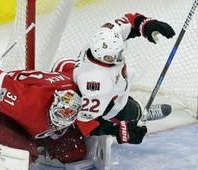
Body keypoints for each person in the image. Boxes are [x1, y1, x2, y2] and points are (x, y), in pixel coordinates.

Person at [51, 13, 175, 144]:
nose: (120, 55)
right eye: (114, 56)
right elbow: (86, 124)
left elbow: (129, 21)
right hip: (94, 99)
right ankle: (140, 113)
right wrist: (118, 131)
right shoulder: (96, 82)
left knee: (121, 86)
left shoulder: (104, 37)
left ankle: (129, 103)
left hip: (79, 77)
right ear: (104, 58)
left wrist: (147, 25)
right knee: (130, 109)